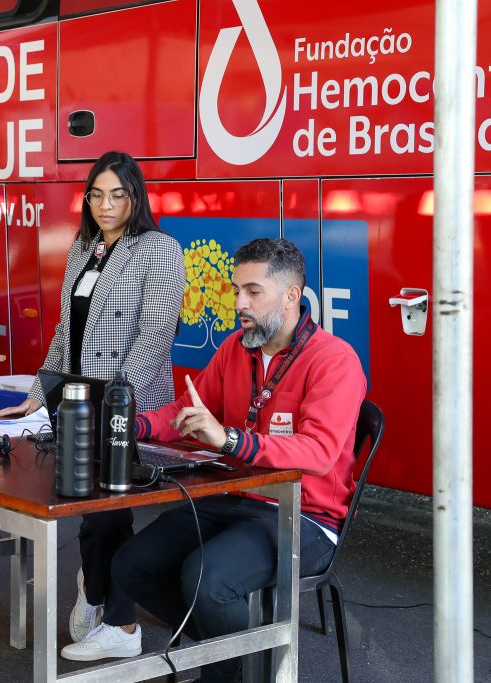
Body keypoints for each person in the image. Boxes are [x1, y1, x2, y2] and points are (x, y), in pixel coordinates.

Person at [111, 238, 367, 683]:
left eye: (252, 291)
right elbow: (187, 411)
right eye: (235, 290)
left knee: (207, 580)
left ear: (291, 296)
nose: (238, 303)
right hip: (235, 497)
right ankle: (239, 657)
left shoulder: (334, 360)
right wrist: (130, 426)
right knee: (131, 564)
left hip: (306, 514)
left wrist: (230, 440)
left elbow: (318, 453)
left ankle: (234, 665)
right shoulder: (235, 348)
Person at [0, 150, 185, 661]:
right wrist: (38, 396)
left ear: (135, 197)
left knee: (110, 512)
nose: (106, 205)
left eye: (118, 194)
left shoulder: (158, 249)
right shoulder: (83, 248)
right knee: (88, 506)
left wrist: (116, 403)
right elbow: (66, 332)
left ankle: (122, 626)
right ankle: (94, 589)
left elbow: (155, 335)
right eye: (97, 194)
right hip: (78, 403)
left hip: (128, 404)